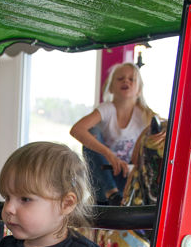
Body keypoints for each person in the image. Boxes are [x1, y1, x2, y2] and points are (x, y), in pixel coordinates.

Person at [69, 62, 165, 205]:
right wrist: (109, 154)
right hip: (103, 176)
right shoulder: (107, 109)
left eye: (131, 79)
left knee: (156, 135)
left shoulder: (145, 115)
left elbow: (166, 126)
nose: (126, 81)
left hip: (127, 178)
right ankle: (111, 194)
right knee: (91, 133)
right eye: (120, 79)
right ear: (111, 87)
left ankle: (134, 197)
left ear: (139, 90)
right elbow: (76, 129)